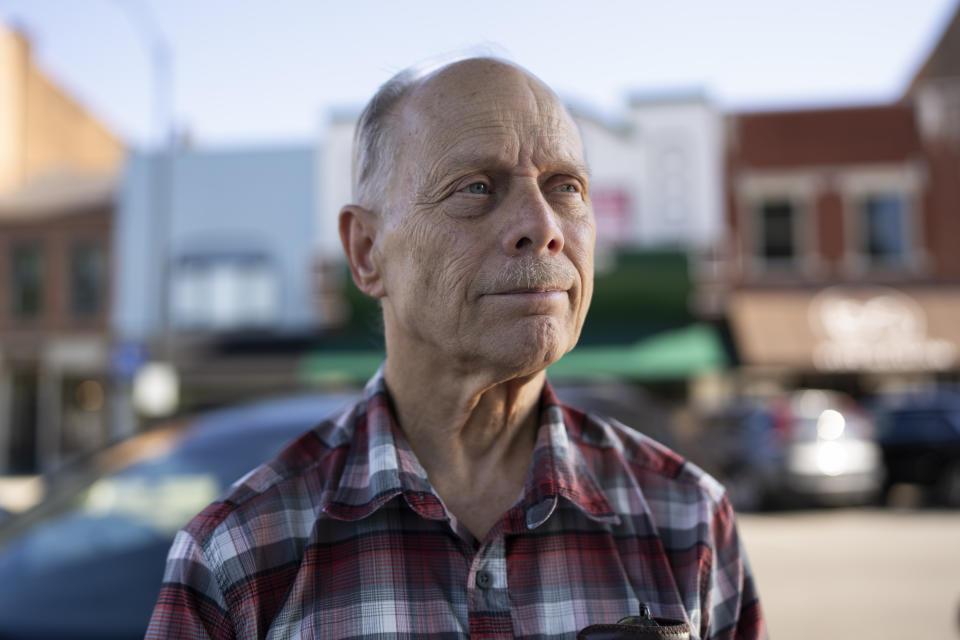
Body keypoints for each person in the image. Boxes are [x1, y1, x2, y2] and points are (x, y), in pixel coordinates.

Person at [146, 57, 765, 639]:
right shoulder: (238, 556)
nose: (544, 228)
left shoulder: (687, 520)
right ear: (366, 252)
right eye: (475, 188)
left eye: (566, 187)